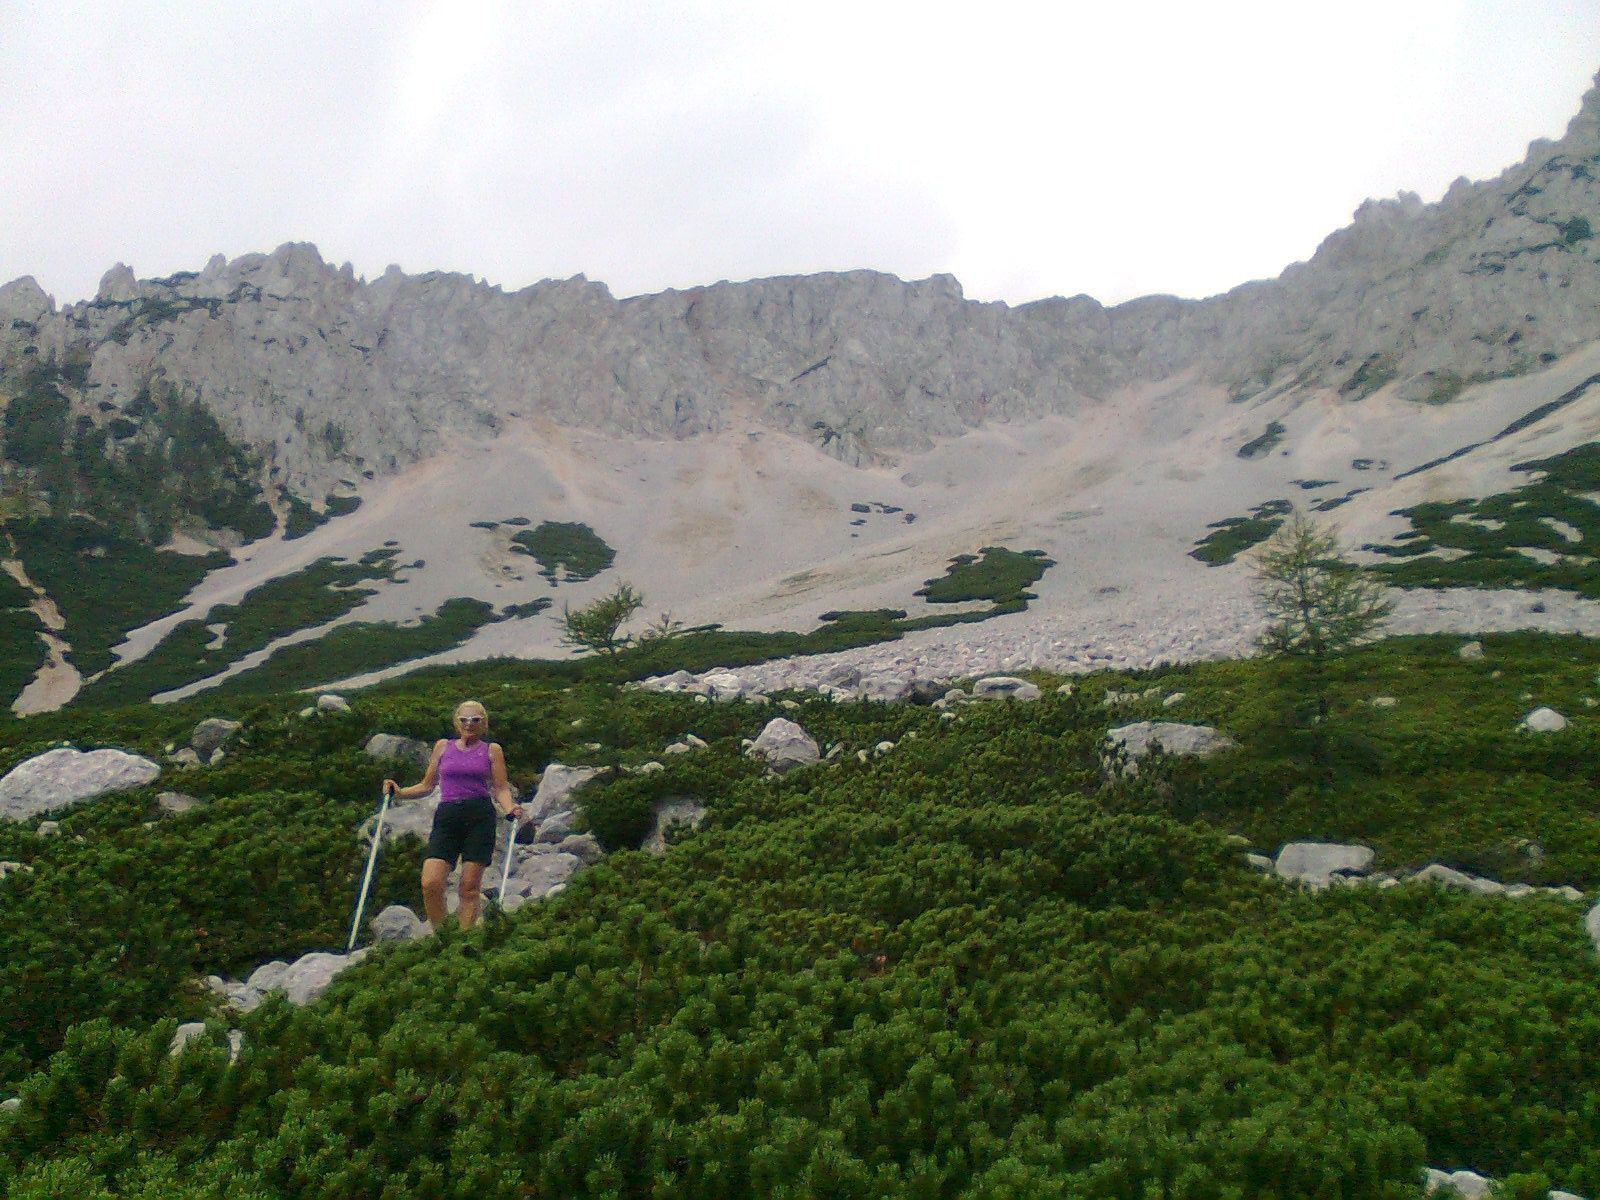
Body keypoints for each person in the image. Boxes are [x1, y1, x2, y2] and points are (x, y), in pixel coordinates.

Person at [383, 700, 521, 931]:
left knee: (469, 887)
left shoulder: (491, 750)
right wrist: (399, 793)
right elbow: (427, 785)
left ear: (483, 723)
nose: (469, 724)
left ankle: (463, 940)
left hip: (479, 817)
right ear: (456, 722)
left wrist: (510, 809)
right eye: (464, 719)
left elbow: (500, 788)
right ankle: (443, 935)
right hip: (448, 817)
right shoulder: (443, 747)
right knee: (431, 883)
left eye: (475, 720)